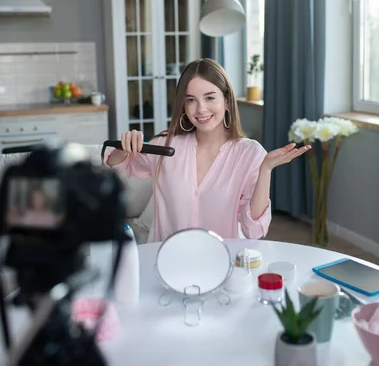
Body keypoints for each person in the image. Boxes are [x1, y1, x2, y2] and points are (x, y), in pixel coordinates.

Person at [106, 59, 311, 242]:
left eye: (210, 98)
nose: (201, 109)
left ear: (228, 101)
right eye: (191, 100)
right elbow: (118, 169)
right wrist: (124, 149)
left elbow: (254, 230)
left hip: (221, 266)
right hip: (166, 263)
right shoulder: (165, 146)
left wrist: (266, 170)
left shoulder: (249, 153)